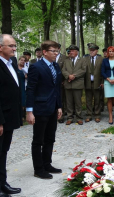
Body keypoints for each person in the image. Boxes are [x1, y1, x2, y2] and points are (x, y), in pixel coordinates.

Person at [26, 40, 62, 179]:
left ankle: (47, 164)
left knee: (50, 138)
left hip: (53, 107)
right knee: (38, 140)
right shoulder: (36, 67)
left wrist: (59, 106)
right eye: (53, 51)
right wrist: (29, 111)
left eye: (57, 51)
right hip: (40, 108)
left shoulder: (56, 66)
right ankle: (38, 169)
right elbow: (30, 89)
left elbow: (57, 88)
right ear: (45, 52)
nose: (56, 53)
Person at [0, 34, 22, 196]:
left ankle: (2, 183)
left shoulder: (12, 62)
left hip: (10, 116)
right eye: (11, 46)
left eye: (15, 45)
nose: (15, 48)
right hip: (1, 118)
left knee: (3, 151)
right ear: (1, 47)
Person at [62, 45, 86, 125]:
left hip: (78, 84)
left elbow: (83, 70)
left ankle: (79, 117)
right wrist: (68, 76)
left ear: (77, 52)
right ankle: (70, 118)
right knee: (69, 102)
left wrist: (74, 76)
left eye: (72, 51)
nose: (70, 52)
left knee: (78, 102)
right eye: (70, 51)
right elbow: (63, 70)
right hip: (68, 84)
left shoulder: (82, 60)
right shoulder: (66, 60)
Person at [101, 46, 114, 125]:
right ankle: (110, 116)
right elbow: (102, 72)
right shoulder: (104, 61)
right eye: (109, 51)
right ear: (107, 52)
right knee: (109, 99)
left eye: (112, 51)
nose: (111, 53)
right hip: (107, 81)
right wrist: (109, 79)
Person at [84, 44, 103, 123]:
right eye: (90, 50)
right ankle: (89, 115)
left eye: (93, 50)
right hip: (88, 82)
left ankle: (97, 115)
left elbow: (103, 72)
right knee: (88, 100)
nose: (91, 52)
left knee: (97, 99)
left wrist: (102, 82)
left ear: (96, 51)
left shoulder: (101, 59)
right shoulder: (85, 59)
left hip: (97, 82)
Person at [56, 44, 67, 123]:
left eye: (57, 48)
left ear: (59, 48)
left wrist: (64, 80)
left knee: (61, 99)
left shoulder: (64, 57)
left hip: (61, 81)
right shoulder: (49, 57)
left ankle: (61, 116)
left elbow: (66, 69)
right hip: (50, 82)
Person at [18, 56, 28, 120]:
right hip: (17, 85)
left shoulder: (26, 68)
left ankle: (23, 115)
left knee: (23, 100)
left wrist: (27, 76)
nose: (22, 61)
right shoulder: (14, 67)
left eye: (24, 60)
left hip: (23, 85)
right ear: (19, 60)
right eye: (21, 60)